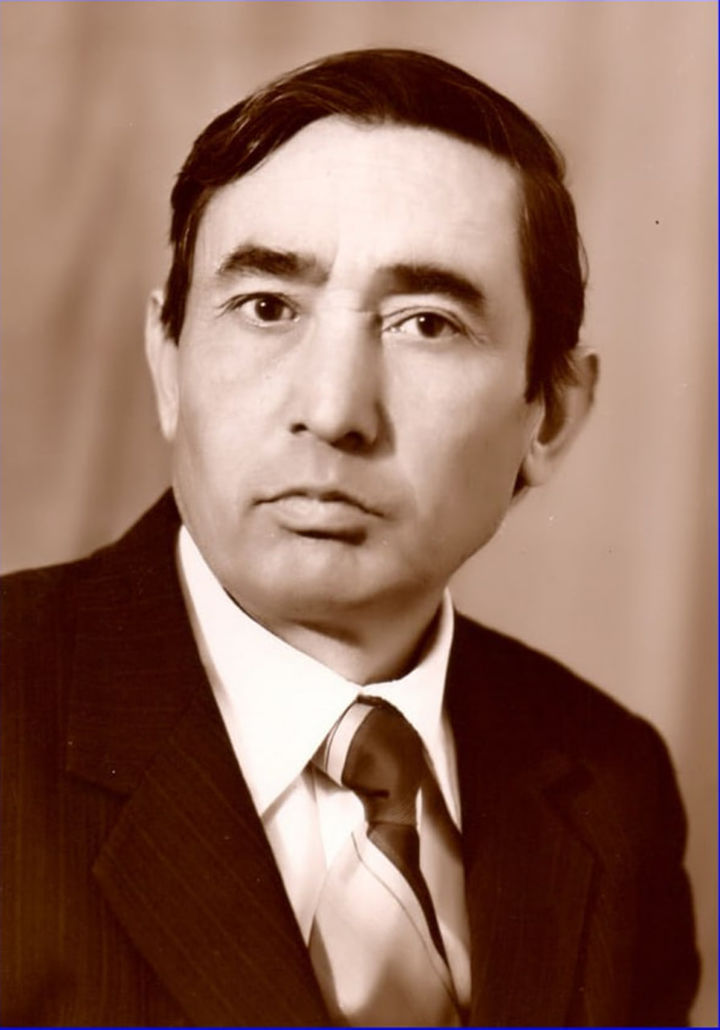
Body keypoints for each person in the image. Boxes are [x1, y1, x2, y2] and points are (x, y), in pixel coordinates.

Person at [1, 48, 699, 1027]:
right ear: (168, 360)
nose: (334, 412)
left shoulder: (611, 784)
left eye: (427, 324)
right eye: (267, 308)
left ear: (549, 414)